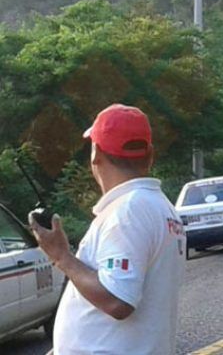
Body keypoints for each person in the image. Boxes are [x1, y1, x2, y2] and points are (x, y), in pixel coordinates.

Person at [29, 104, 187, 355]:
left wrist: (61, 257)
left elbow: (117, 300)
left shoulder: (129, 210)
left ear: (96, 153)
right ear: (150, 155)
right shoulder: (159, 206)